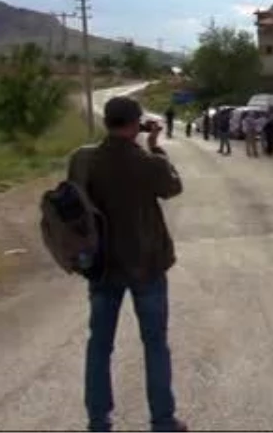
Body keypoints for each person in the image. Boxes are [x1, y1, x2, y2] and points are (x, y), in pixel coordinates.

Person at [71, 96, 186, 432]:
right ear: (136, 124)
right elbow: (173, 187)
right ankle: (163, 421)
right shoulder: (147, 163)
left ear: (107, 122)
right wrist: (155, 146)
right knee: (155, 344)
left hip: (102, 266)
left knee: (99, 345)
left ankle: (98, 421)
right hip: (146, 266)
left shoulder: (84, 159)